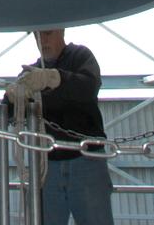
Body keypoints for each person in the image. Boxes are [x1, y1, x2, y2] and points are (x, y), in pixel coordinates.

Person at [6, 28, 113, 225]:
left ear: (61, 31)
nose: (42, 40)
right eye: (37, 35)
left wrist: (55, 78)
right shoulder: (30, 74)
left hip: (87, 161)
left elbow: (88, 87)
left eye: (47, 33)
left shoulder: (81, 56)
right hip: (47, 167)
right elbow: (8, 112)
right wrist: (12, 97)